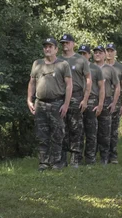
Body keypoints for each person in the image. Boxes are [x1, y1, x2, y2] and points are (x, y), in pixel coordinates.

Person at [27, 37, 72, 171]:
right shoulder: (37, 64)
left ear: (56, 49)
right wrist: (29, 99)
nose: (47, 49)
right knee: (41, 134)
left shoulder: (63, 65)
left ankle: (56, 162)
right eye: (45, 46)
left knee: (58, 134)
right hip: (40, 103)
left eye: (50, 46)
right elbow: (32, 82)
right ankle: (43, 163)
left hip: (57, 103)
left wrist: (66, 104)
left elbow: (69, 85)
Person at [59, 34, 91, 168]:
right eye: (63, 43)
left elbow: (88, 80)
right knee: (61, 129)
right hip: (60, 97)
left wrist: (85, 99)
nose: (65, 45)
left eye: (67, 42)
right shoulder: (58, 59)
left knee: (76, 129)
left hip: (76, 97)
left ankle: (75, 159)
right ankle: (61, 159)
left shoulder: (81, 60)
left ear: (73, 44)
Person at [94, 46, 120, 164]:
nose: (97, 55)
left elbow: (117, 86)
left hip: (106, 102)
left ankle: (105, 157)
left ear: (104, 55)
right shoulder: (90, 68)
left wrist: (114, 103)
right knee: (92, 131)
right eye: (95, 53)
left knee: (105, 132)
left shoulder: (110, 70)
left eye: (100, 53)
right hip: (92, 101)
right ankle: (91, 157)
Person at [80, 45, 104, 165]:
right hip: (78, 101)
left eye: (85, 54)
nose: (83, 56)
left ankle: (90, 159)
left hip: (92, 101)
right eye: (81, 53)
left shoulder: (95, 69)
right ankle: (77, 159)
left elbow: (101, 88)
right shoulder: (74, 68)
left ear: (89, 55)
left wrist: (100, 104)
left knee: (91, 133)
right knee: (77, 132)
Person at [105, 43, 122, 163]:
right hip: (102, 101)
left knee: (113, 130)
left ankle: (113, 155)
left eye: (111, 50)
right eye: (107, 50)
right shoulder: (99, 66)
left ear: (115, 53)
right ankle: (102, 154)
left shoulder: (121, 68)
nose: (109, 53)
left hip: (116, 101)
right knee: (102, 130)